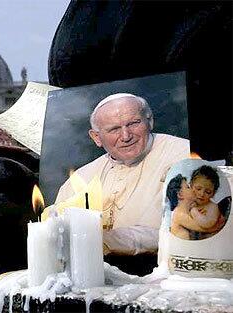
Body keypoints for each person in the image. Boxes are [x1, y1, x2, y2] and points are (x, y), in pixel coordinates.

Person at [55, 93, 190, 255]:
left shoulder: (184, 155)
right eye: (114, 129)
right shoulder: (81, 178)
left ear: (150, 121)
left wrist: (107, 241)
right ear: (97, 137)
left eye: (133, 123)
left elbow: (182, 229)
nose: (126, 136)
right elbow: (59, 233)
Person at [189, 165, 224, 239]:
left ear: (213, 193)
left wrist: (193, 211)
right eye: (198, 189)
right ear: (191, 186)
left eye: (208, 192)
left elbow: (207, 224)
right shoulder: (188, 202)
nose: (202, 194)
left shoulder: (213, 206)